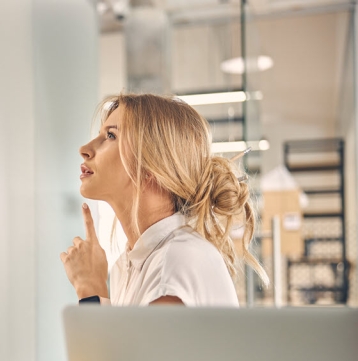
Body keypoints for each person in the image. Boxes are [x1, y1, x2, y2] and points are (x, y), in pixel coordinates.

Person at [60, 93, 268, 306]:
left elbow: (120, 341)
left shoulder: (175, 261)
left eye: (111, 136)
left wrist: (90, 289)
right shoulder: (127, 265)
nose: (84, 150)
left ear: (152, 166)